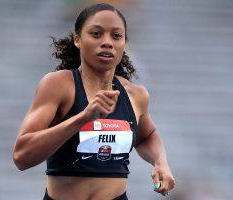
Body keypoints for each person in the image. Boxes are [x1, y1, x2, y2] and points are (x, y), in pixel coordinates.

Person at [13, 3, 175, 200]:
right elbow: (22, 156)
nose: (107, 42)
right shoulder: (58, 85)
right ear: (78, 40)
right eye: (96, 34)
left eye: (116, 36)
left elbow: (147, 135)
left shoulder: (135, 94)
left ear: (124, 43)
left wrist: (161, 162)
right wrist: (83, 118)